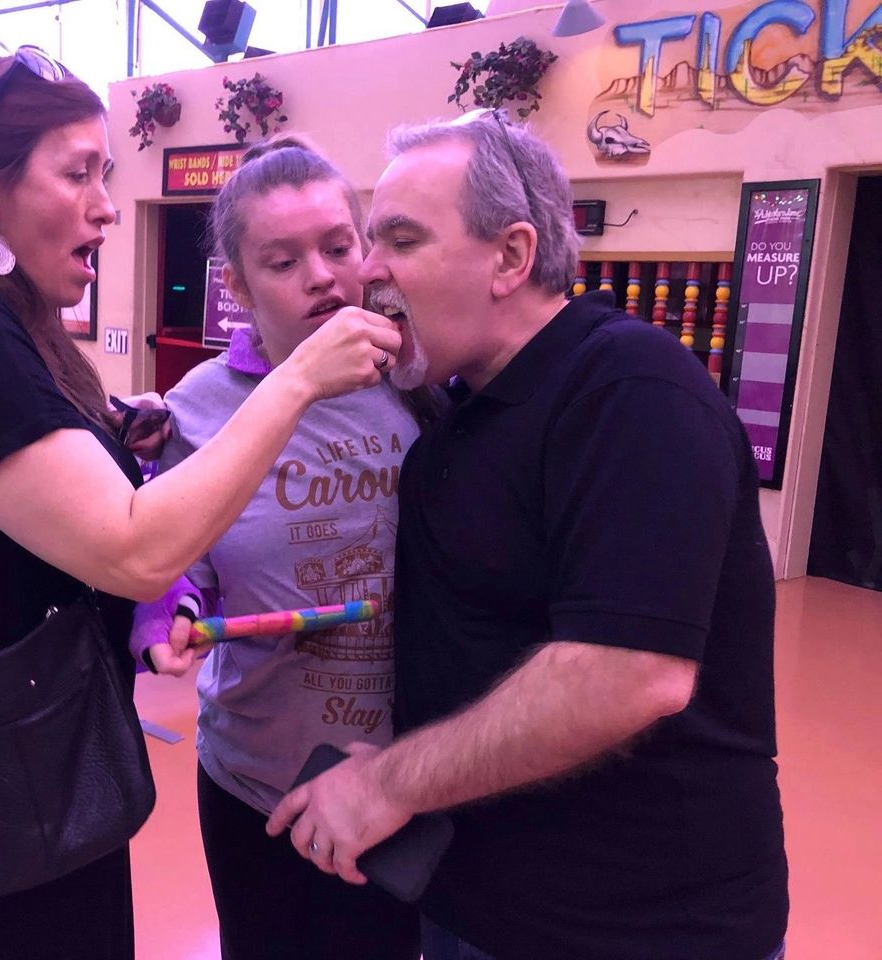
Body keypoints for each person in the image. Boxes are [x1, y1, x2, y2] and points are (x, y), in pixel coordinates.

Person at [0, 49, 399, 960]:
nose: (105, 203)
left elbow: (47, 501)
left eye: (107, 172)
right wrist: (295, 382)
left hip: (28, 756)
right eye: (77, 173)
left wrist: (112, 436)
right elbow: (135, 551)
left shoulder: (12, 332)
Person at [266, 111, 789, 960]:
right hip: (478, 907)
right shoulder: (459, 412)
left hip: (640, 933)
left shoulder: (632, 392)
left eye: (398, 238)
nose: (365, 272)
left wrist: (388, 783)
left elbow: (627, 674)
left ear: (510, 256)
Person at [130, 137, 436, 960]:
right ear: (237, 285)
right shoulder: (196, 409)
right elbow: (171, 561)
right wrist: (172, 615)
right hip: (255, 780)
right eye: (283, 260)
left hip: (403, 776)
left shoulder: (422, 384)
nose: (323, 277)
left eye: (338, 247)